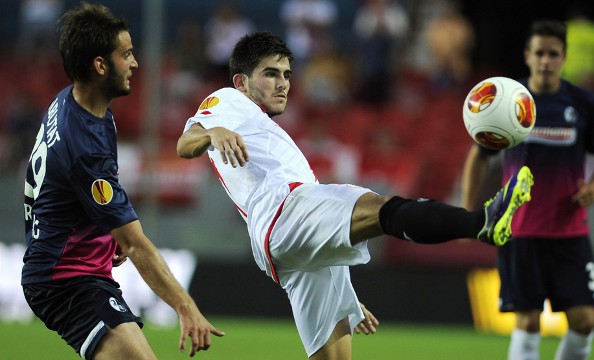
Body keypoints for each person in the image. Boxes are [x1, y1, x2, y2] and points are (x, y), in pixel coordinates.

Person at [176, 31, 533, 359]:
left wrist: (346, 294)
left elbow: (317, 225)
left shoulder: (264, 129)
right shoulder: (228, 101)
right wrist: (214, 132)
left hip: (288, 246)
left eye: (286, 74)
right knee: (380, 208)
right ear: (242, 81)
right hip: (285, 210)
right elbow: (185, 143)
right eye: (271, 74)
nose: (283, 83)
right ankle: (480, 222)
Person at [21, 3, 223, 359]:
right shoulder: (84, 143)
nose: (135, 63)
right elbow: (135, 244)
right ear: (100, 65)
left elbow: (56, 193)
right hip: (67, 281)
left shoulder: (71, 102)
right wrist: (185, 307)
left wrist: (101, 234)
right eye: (126, 54)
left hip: (67, 269)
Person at [461, 20, 594, 360]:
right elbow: (479, 155)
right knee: (528, 322)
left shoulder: (582, 103)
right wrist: (467, 212)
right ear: (527, 56)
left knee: (584, 320)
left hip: (570, 231)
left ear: (564, 57)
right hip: (519, 229)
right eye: (540, 53)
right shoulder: (508, 101)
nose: (546, 60)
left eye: (553, 54)